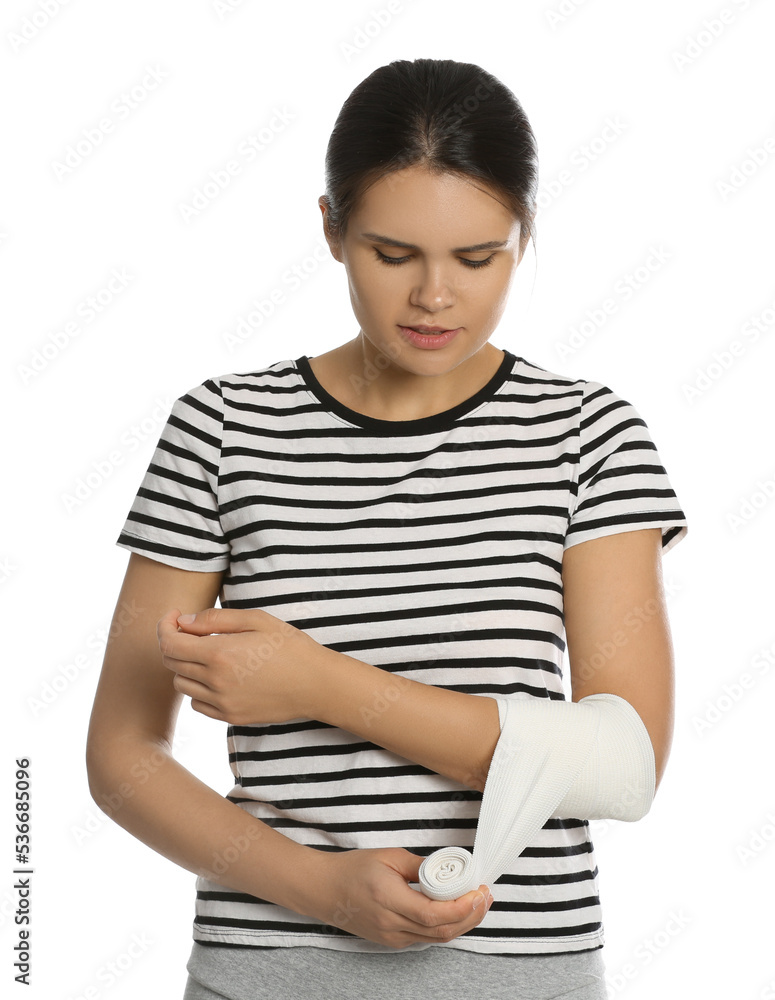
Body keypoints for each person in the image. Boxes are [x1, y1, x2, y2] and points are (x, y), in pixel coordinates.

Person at [85, 58, 688, 1000]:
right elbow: (121, 756)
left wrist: (316, 682)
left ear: (524, 234)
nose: (434, 296)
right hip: (265, 972)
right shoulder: (221, 428)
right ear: (331, 229)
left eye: (477, 258)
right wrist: (321, 890)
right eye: (392, 254)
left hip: (524, 975)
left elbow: (622, 765)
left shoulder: (587, 433)